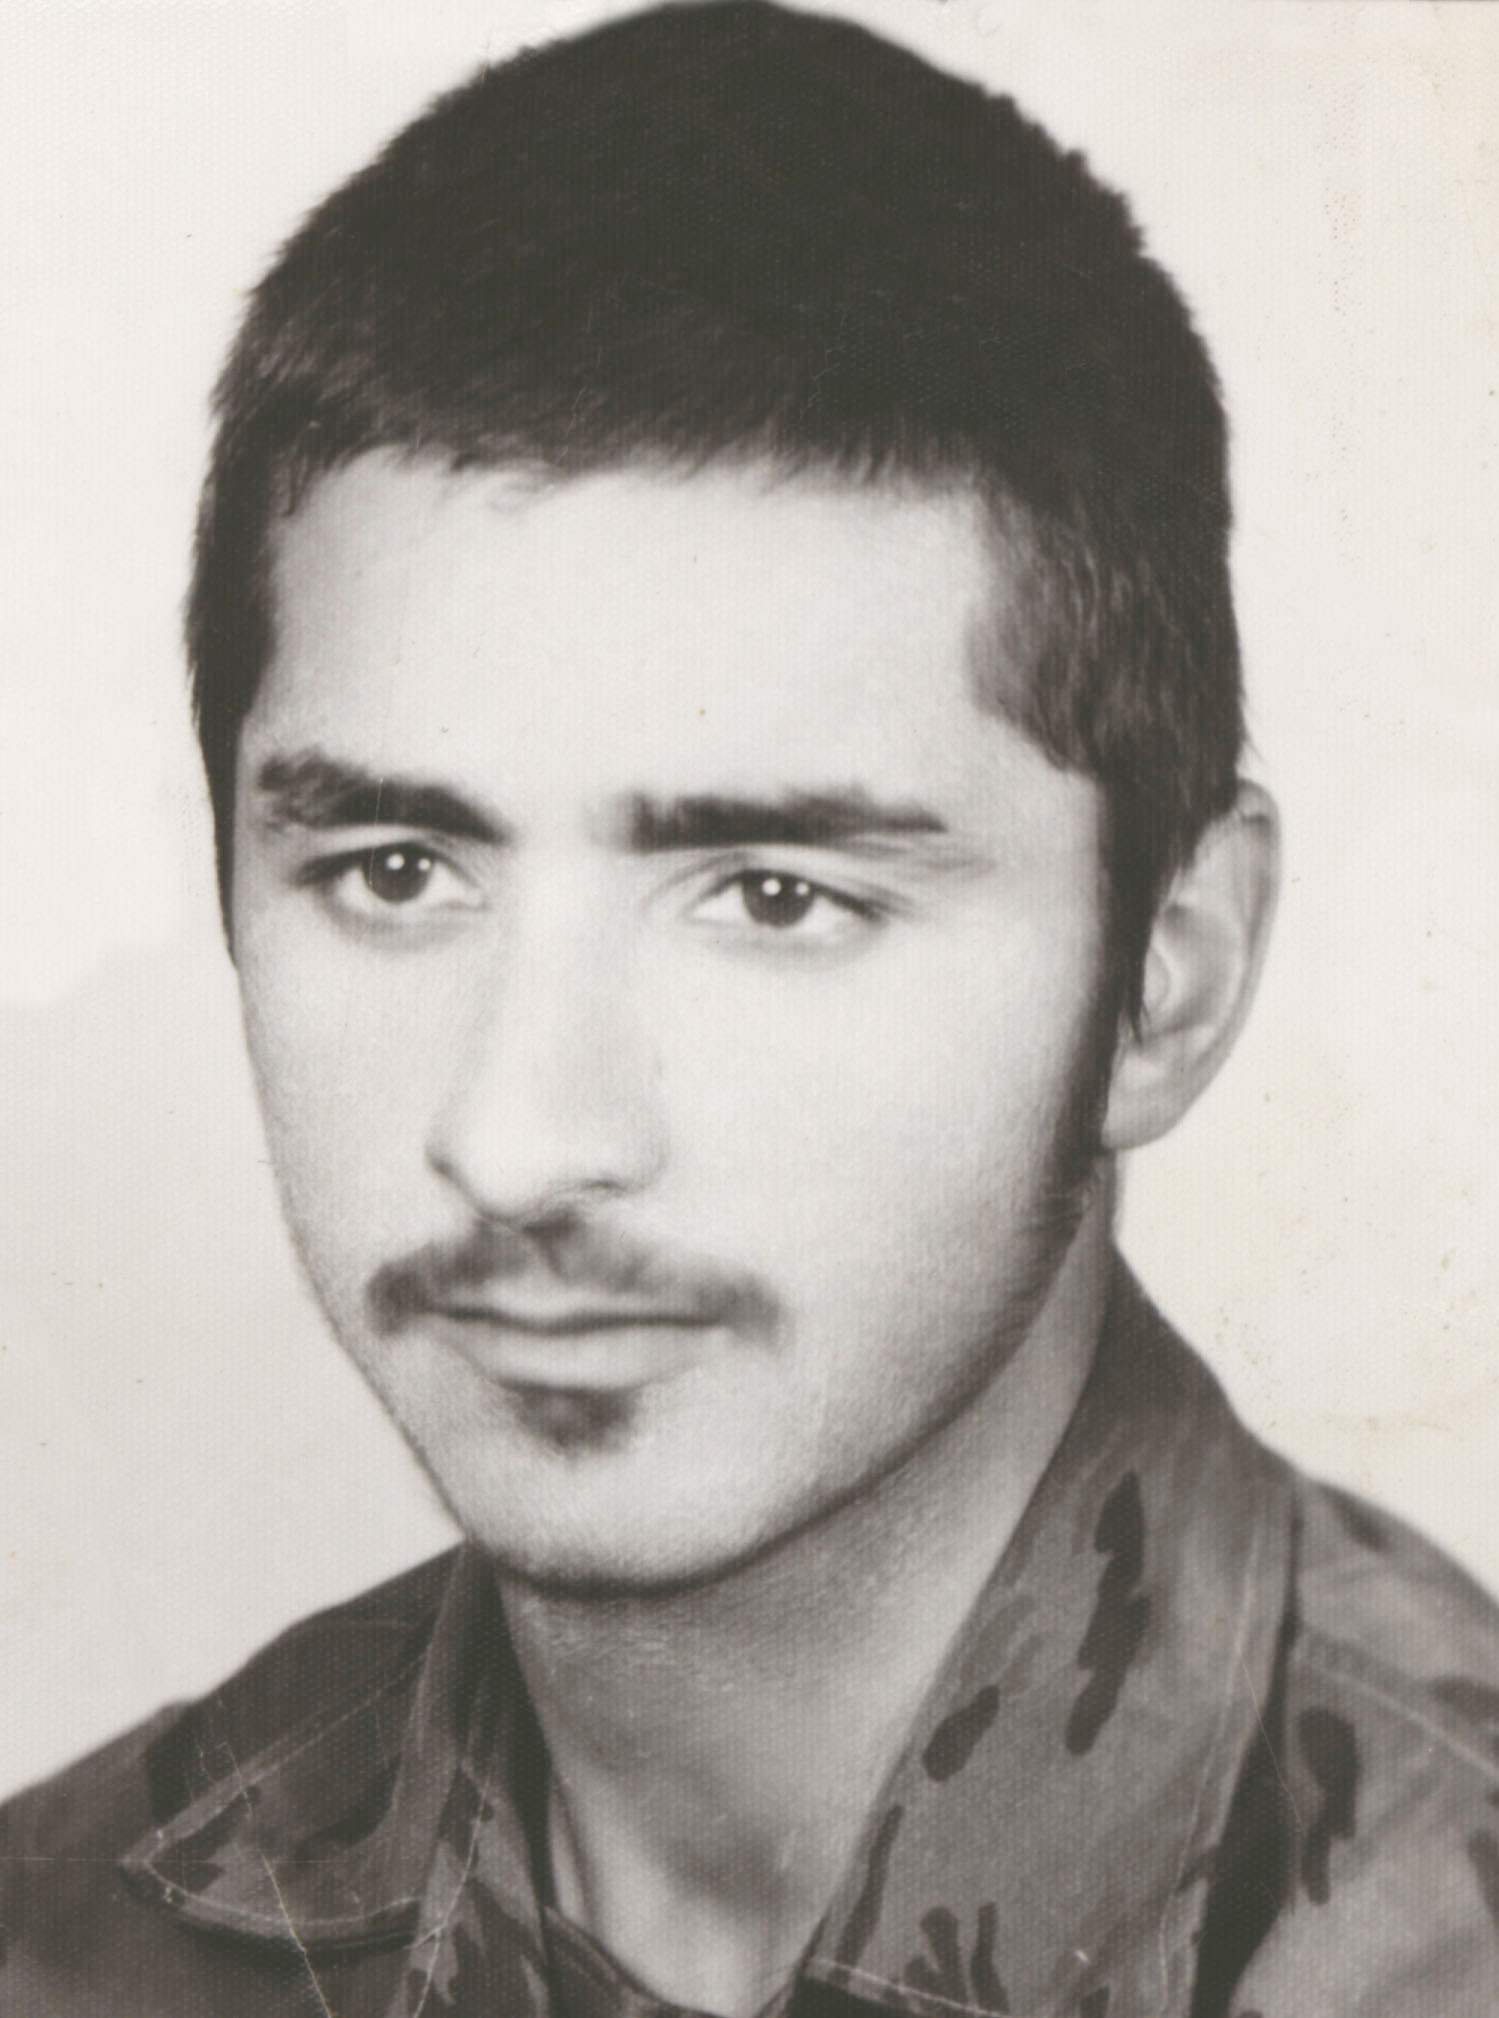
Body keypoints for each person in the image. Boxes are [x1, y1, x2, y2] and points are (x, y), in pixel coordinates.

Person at [2, 4, 1496, 2012]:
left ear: (1168, 971)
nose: (517, 1136)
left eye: (775, 896)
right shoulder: (67, 1939)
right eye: (398, 871)